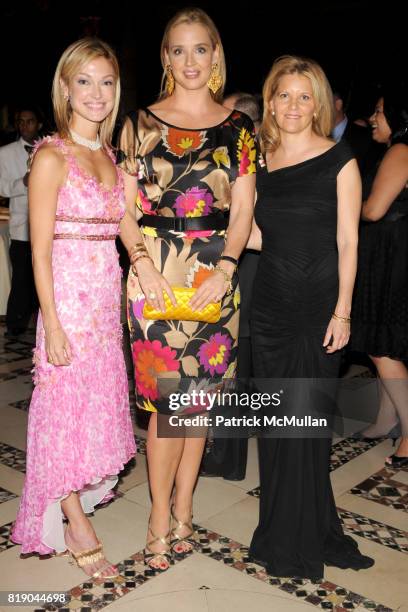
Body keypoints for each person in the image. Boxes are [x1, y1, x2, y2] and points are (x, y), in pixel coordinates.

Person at [117, 7, 255, 571]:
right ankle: (156, 520)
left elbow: (244, 210)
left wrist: (224, 269)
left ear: (216, 55)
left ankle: (183, 511)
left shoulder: (239, 128)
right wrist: (143, 261)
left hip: (213, 274)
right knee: (164, 407)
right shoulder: (137, 123)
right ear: (166, 57)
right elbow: (122, 208)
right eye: (179, 49)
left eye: (202, 49)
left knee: (195, 408)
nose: (191, 60)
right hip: (154, 274)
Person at [11, 38, 137, 580]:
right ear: (65, 88)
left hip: (104, 304)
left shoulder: (109, 155)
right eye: (84, 81)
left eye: (106, 82)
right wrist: (53, 323)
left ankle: (78, 498)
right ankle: (74, 521)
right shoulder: (50, 156)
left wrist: (148, 267)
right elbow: (38, 250)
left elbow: (124, 224)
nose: (97, 93)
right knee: (62, 413)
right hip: (66, 302)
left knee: (94, 406)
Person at [246, 55, 374, 578]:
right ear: (270, 100)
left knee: (306, 426)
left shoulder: (339, 158)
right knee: (277, 426)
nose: (293, 105)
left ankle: (302, 539)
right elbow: (257, 235)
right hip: (271, 303)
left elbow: (349, 239)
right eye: (284, 95)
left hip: (319, 306)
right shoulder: (259, 157)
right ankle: (285, 528)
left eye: (304, 96)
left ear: (317, 103)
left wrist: (343, 311)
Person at [200, 92, 261, 480]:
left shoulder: (253, 167)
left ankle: (226, 457)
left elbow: (256, 233)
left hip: (246, 272)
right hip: (241, 271)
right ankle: (225, 454)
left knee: (232, 370)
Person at [351, 87, 408, 467]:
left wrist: (338, 201)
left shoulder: (401, 150)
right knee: (383, 343)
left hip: (390, 257)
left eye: (380, 111)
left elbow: (373, 209)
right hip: (388, 255)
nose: (373, 118)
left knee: (383, 347)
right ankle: (385, 420)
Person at [0, 107, 42, 336]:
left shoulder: (50, 149)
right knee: (21, 279)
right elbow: (2, 188)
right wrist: (23, 182)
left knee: (45, 277)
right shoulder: (5, 153)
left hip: (50, 225)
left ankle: (42, 324)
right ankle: (15, 326)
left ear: (39, 124)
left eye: (30, 121)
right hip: (21, 228)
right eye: (21, 121)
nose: (25, 125)